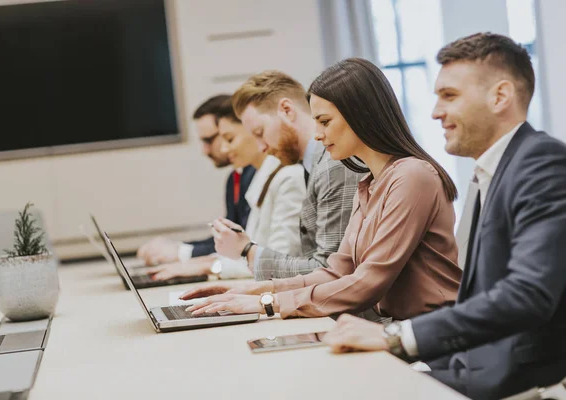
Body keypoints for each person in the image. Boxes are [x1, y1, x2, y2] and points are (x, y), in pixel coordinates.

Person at [322, 33, 566, 400]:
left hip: (515, 383)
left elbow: (526, 295)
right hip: (472, 366)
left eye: (449, 96)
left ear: (499, 96)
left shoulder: (540, 162)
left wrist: (396, 338)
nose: (436, 111)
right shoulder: (498, 170)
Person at [183, 58, 462, 322]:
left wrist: (267, 303)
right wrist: (256, 291)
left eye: (325, 122)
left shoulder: (412, 176)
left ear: (361, 116)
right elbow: (337, 271)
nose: (317, 134)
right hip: (396, 326)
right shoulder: (369, 183)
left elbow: (368, 281)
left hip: (428, 334)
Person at [201, 70, 363, 281]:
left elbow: (331, 272)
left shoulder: (333, 165)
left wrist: (247, 250)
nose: (261, 147)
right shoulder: (316, 165)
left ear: (286, 110)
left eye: (260, 133)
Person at [150, 98, 307, 281]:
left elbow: (277, 261)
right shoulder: (259, 178)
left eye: (230, 139)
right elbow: (253, 252)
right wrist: (205, 263)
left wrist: (211, 266)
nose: (224, 149)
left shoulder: (287, 177)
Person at [136, 95, 255, 267]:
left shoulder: (256, 173)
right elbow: (230, 238)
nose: (205, 151)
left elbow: (247, 240)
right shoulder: (235, 177)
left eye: (209, 140)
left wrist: (182, 253)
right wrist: (181, 248)